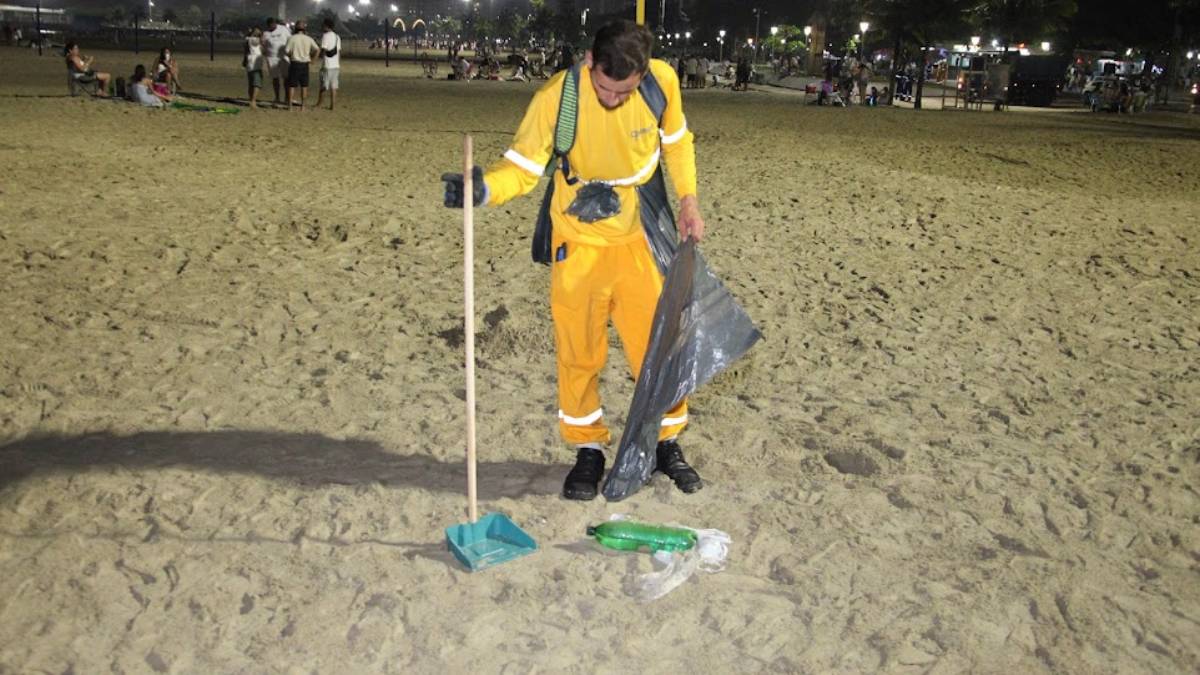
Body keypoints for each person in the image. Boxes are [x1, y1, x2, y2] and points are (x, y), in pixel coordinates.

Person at [441, 20, 706, 501]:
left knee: (659, 346)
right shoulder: (558, 98)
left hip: (640, 239)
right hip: (577, 244)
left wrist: (688, 199)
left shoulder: (661, 82)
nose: (613, 99)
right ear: (590, 61)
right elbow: (521, 169)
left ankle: (667, 443)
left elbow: (677, 142)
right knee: (578, 353)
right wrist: (481, 189)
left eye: (624, 92)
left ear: (643, 73)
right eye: (606, 88)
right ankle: (588, 450)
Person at [283, 20, 320, 111]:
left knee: (292, 85)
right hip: (305, 64)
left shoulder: (292, 38)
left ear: (295, 28)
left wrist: (291, 56)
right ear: (304, 29)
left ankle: (290, 106)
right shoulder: (308, 38)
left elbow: (286, 51)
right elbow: (317, 49)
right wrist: (313, 60)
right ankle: (303, 106)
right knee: (304, 86)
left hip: (294, 63)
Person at [262, 17, 292, 108]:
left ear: (276, 23)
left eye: (273, 24)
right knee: (275, 79)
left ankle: (287, 98)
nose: (272, 26)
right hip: (271, 58)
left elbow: (290, 39)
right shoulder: (266, 33)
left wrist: (289, 52)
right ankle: (277, 97)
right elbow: (264, 45)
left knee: (286, 78)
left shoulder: (283, 29)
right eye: (270, 25)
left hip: (283, 56)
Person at [315, 18, 340, 111]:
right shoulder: (337, 37)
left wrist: (318, 57)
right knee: (334, 86)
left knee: (323, 85)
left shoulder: (325, 36)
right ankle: (332, 105)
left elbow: (323, 50)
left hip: (327, 64)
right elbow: (338, 51)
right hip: (336, 65)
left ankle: (319, 104)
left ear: (326, 26)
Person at [243, 27, 264, 108]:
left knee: (251, 83)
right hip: (255, 64)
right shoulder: (252, 39)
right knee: (257, 83)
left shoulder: (248, 39)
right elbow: (262, 42)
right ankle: (253, 101)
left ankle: (251, 99)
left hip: (250, 63)